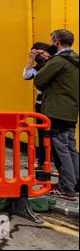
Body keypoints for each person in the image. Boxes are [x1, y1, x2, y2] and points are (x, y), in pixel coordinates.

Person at [35, 29, 79, 201]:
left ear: (57, 42)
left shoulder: (59, 60)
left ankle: (67, 188)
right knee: (71, 149)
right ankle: (75, 184)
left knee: (61, 151)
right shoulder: (75, 60)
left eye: (52, 40)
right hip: (71, 110)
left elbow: (39, 80)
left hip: (56, 110)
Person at [23, 43, 56, 171]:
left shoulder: (54, 65)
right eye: (36, 54)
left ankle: (55, 163)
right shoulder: (37, 67)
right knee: (41, 134)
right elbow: (26, 76)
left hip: (52, 103)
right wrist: (30, 60)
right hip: (40, 104)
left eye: (41, 53)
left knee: (54, 135)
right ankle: (41, 160)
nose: (40, 56)